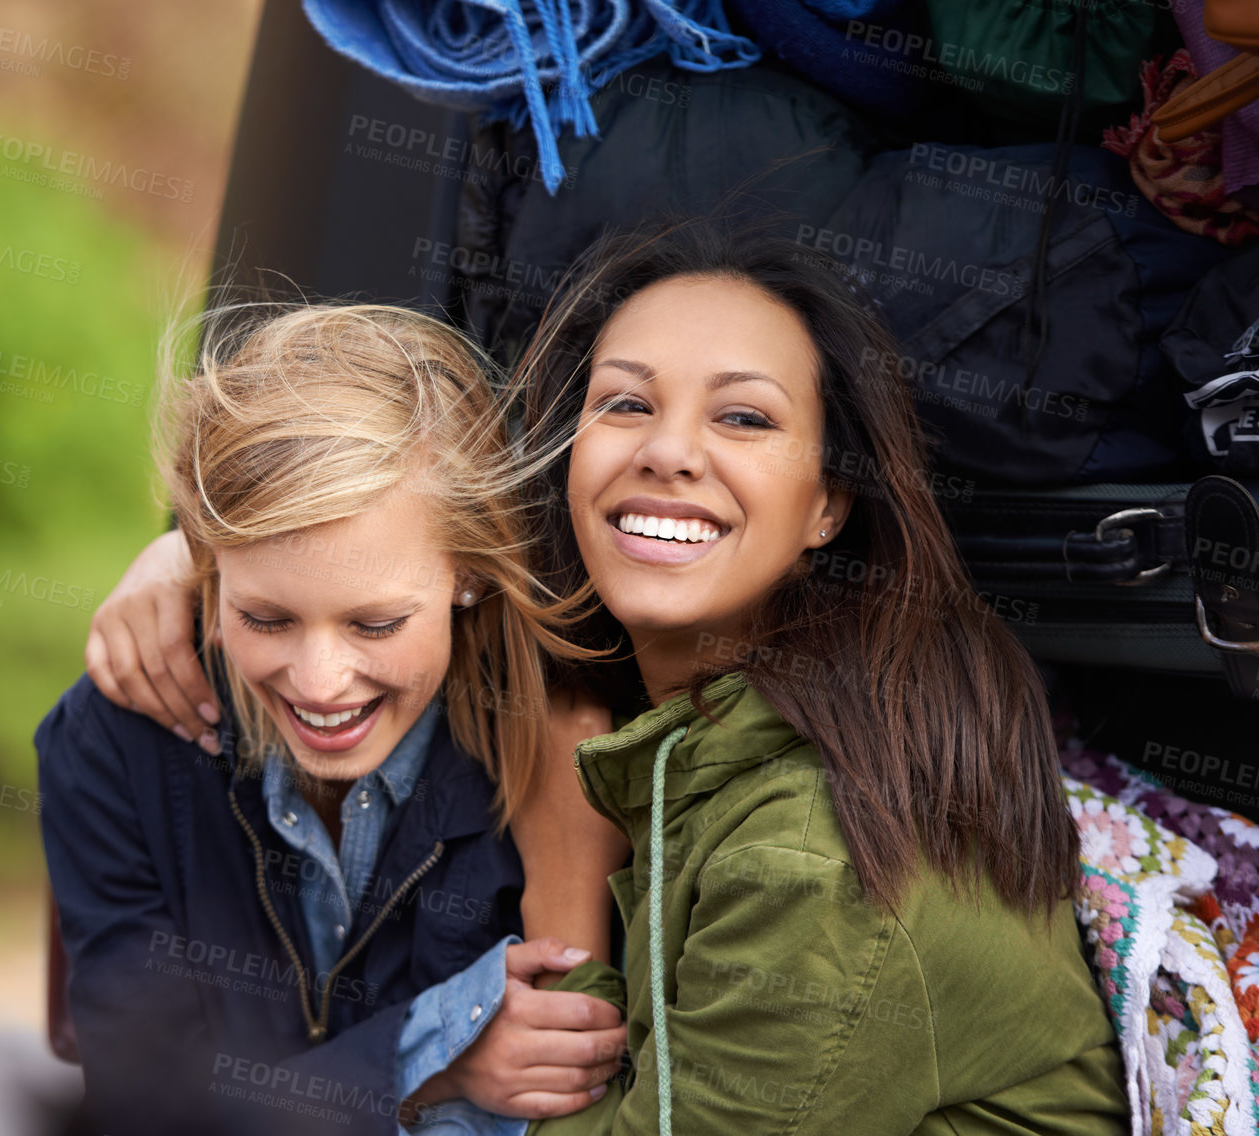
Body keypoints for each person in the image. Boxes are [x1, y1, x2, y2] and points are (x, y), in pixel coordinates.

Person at [82, 223, 1132, 1134]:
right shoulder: (685, 690)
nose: (669, 450)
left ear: (829, 503)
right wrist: (198, 550)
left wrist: (566, 885)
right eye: (625, 404)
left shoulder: (813, 862)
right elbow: (401, 498)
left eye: (744, 417)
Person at [36, 303, 627, 1136]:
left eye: (375, 625)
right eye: (266, 619)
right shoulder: (114, 741)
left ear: (467, 574)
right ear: (202, 569)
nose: (319, 684)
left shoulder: (550, 756)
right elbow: (141, 1111)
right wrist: (428, 1058)